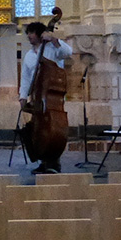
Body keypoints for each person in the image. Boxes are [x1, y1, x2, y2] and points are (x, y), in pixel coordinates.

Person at [18, 20, 72, 174]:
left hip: (51, 96)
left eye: (31, 32)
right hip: (38, 96)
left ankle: (54, 161)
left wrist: (54, 40)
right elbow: (26, 77)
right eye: (28, 33)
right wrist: (23, 96)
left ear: (40, 34)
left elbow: (68, 52)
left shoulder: (52, 49)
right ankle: (42, 159)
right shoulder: (28, 55)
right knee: (37, 127)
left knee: (52, 128)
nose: (29, 36)